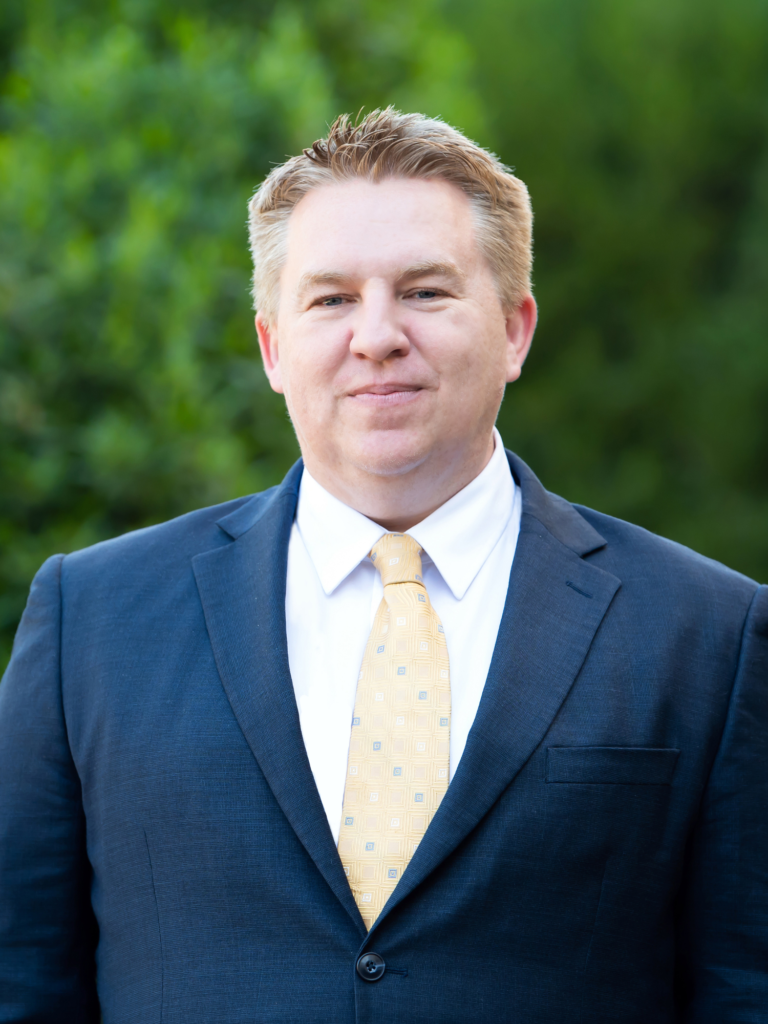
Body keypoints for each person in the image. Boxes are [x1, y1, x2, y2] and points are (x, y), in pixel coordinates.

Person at [0, 108, 766, 1023]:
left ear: (516, 331)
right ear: (273, 348)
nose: (376, 336)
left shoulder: (708, 634)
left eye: (426, 292)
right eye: (330, 299)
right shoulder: (93, 618)